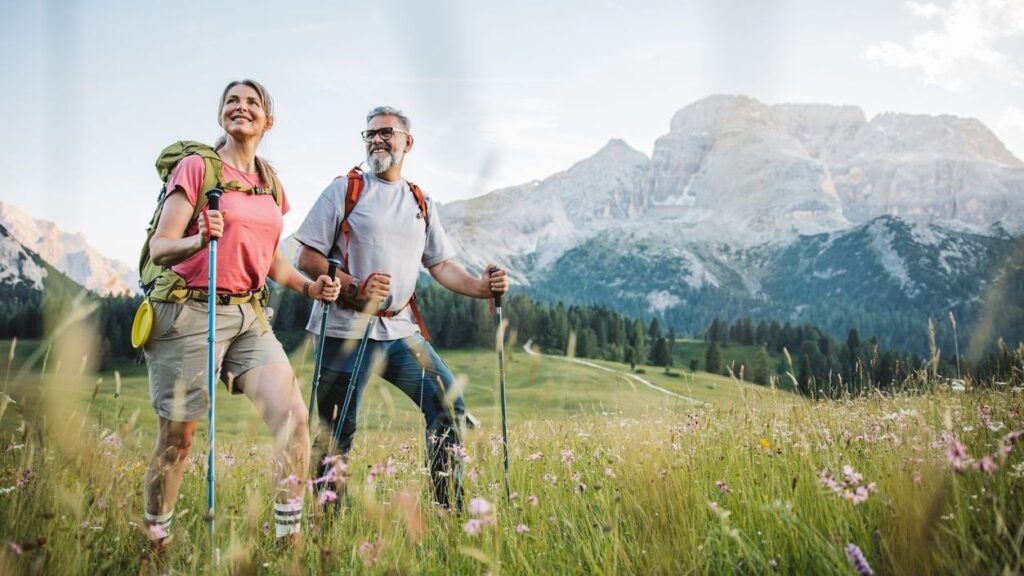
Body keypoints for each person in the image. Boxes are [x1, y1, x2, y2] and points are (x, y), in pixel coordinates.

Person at [142, 79, 340, 547]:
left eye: (253, 102)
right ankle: (155, 543)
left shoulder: (270, 182)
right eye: (232, 100)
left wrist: (310, 286)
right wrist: (198, 239)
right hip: (188, 311)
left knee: (293, 423)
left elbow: (270, 260)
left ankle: (287, 541)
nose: (241, 107)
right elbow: (160, 248)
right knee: (178, 442)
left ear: (268, 121)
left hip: (249, 315)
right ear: (220, 116)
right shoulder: (196, 169)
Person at [295, 106, 508, 509]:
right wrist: (356, 287)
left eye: (386, 132)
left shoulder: (420, 200)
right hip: (344, 331)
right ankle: (329, 522)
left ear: (407, 142)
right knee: (336, 431)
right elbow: (306, 258)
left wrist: (483, 288)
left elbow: (441, 265)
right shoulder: (344, 190)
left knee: (448, 405)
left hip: (401, 332)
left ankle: (449, 506)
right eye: (370, 134)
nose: (376, 139)